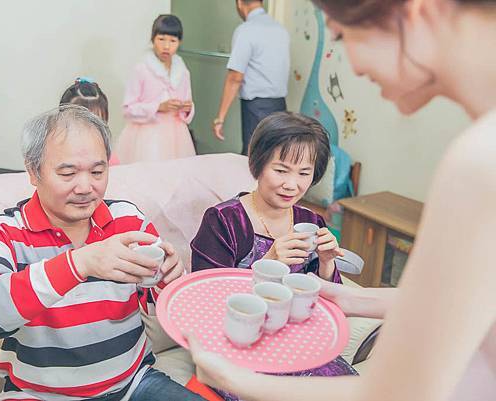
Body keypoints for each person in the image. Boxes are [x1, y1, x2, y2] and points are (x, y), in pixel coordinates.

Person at [187, 1, 496, 400]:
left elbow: (395, 391)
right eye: (281, 169)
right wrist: (347, 296)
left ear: (417, 11)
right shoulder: (225, 219)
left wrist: (231, 379)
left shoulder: (479, 161)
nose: (352, 64)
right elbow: (463, 306)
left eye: (339, 33)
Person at [0, 105, 206, 401]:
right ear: (33, 171)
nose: (86, 187)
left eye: (98, 171)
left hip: (134, 385)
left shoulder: (126, 219)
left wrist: (171, 278)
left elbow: (169, 305)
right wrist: (81, 263)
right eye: (68, 173)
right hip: (39, 394)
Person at [191, 112, 355, 401]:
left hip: (297, 345)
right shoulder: (223, 220)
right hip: (239, 354)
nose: (292, 184)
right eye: (281, 170)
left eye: (304, 173)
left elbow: (323, 304)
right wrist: (269, 261)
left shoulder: (311, 221)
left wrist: (328, 263)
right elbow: (205, 307)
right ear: (258, 164)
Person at [212, 0, 290, 155]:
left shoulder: (246, 30)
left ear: (240, 3)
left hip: (256, 108)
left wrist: (220, 118)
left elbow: (235, 77)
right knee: (274, 157)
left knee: (253, 159)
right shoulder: (281, 30)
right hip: (280, 105)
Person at [115, 14, 196, 164]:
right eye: (161, 39)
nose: (166, 46)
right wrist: (158, 107)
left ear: (179, 42)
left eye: (173, 41)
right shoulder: (141, 69)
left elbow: (188, 102)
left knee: (176, 176)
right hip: (147, 136)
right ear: (153, 39)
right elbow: (128, 109)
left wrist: (187, 108)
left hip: (177, 137)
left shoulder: (182, 71)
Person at [60, 77, 120, 165]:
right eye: (80, 122)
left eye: (97, 123)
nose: (88, 129)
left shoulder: (108, 160)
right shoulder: (56, 153)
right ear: (61, 118)